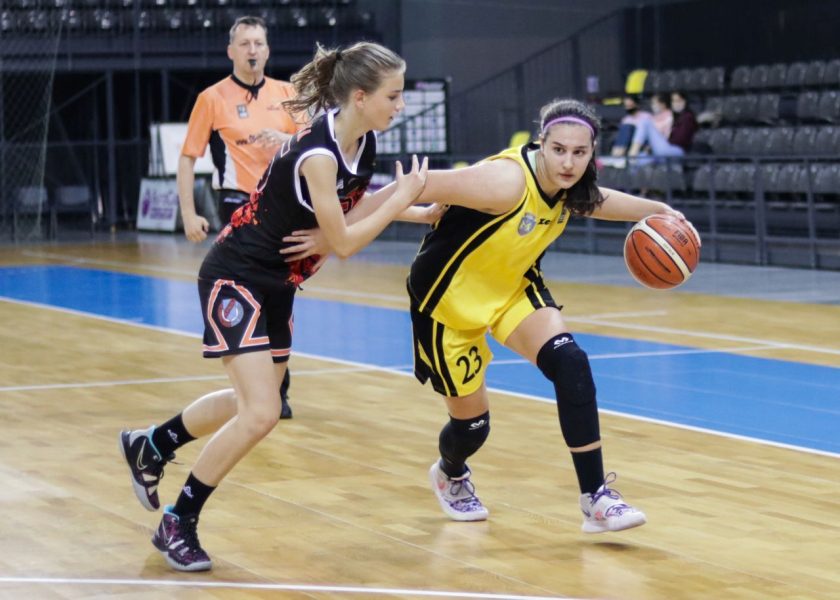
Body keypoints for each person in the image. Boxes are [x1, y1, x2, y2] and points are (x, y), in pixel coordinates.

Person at [119, 41, 439, 572]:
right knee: (262, 412)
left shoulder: (362, 140)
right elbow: (344, 243)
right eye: (394, 95)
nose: (400, 105)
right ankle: (179, 520)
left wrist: (415, 209)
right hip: (236, 274)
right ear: (361, 97)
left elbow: (354, 207)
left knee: (251, 400)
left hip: (278, 282)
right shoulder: (318, 154)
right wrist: (400, 200)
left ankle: (154, 443)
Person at [406, 98, 700, 532]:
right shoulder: (505, 182)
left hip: (513, 288)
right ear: (541, 143)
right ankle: (450, 472)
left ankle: (595, 498)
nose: (568, 162)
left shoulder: (570, 185)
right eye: (558, 150)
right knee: (472, 428)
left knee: (571, 362)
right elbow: (415, 184)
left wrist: (656, 211)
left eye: (579, 153)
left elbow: (596, 201)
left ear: (592, 152)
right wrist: (344, 212)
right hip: (447, 301)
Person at [178, 16, 303, 418]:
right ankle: (259, 388)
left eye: (259, 43)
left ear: (268, 50)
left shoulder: (288, 94)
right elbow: (188, 158)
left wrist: (286, 139)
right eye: (245, 43)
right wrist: (189, 213)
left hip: (284, 207)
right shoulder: (212, 98)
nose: (253, 50)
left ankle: (275, 386)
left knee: (280, 292)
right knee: (254, 289)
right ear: (231, 51)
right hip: (239, 203)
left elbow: (312, 146)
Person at [628, 90, 698, 158]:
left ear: (685, 101)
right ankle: (629, 158)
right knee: (640, 158)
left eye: (678, 100)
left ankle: (632, 154)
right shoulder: (675, 115)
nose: (675, 103)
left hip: (677, 150)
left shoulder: (688, 117)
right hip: (665, 149)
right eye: (673, 101)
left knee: (645, 123)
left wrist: (660, 142)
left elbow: (681, 139)